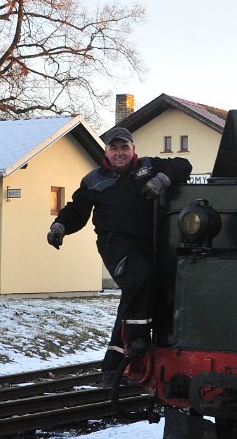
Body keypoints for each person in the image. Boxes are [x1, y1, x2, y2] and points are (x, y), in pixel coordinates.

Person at [47, 128, 191, 387]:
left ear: (133, 149)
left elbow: (183, 164)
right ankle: (137, 340)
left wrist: (162, 180)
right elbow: (76, 210)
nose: (119, 153)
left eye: (124, 147)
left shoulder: (150, 167)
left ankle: (112, 367)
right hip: (116, 245)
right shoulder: (93, 180)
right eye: (114, 148)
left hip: (154, 244)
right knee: (138, 278)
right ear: (106, 152)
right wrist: (60, 226)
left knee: (140, 295)